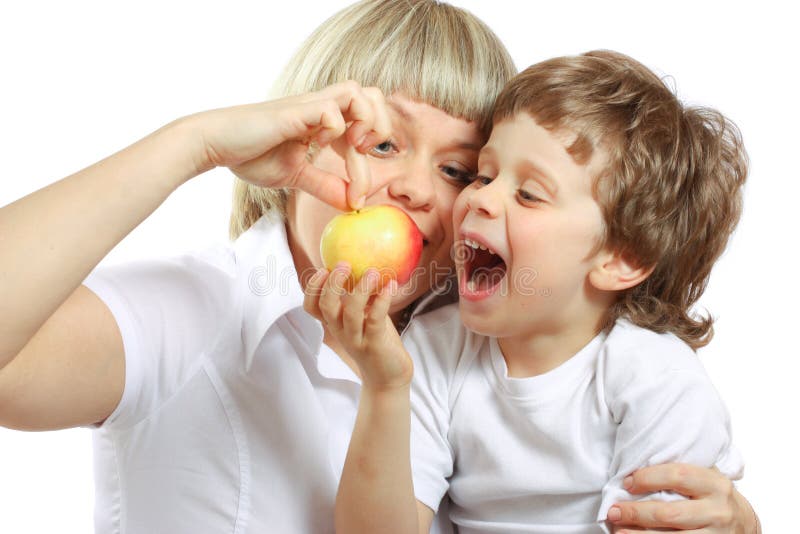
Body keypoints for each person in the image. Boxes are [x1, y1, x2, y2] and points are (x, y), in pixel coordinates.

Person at [0, 1, 757, 532]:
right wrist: (194, 145)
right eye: (384, 144)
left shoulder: (475, 344)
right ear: (300, 136)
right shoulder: (200, 307)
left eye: (462, 170)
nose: (422, 191)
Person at [309, 49, 759, 533]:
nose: (479, 197)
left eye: (528, 194)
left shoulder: (658, 381)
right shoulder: (436, 348)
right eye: (482, 174)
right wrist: (385, 388)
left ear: (621, 258)